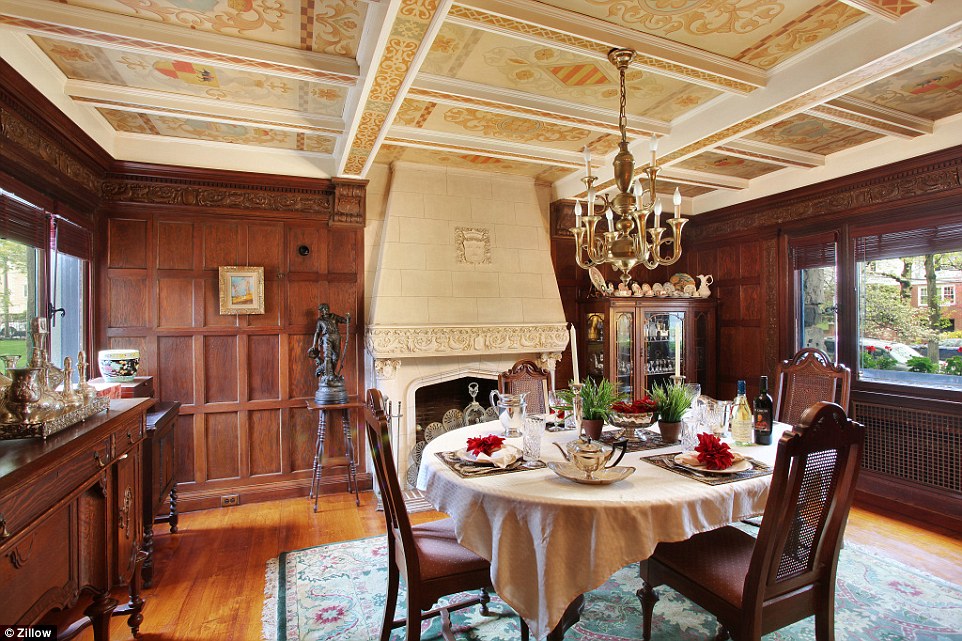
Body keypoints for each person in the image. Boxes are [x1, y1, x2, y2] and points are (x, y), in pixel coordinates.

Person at [308, 304, 350, 381]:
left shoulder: (334, 316)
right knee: (327, 357)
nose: (326, 310)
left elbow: (345, 321)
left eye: (327, 308)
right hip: (326, 338)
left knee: (336, 357)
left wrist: (348, 318)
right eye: (324, 309)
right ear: (321, 311)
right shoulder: (320, 320)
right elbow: (317, 332)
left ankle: (326, 371)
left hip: (336, 337)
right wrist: (314, 344)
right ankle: (329, 375)